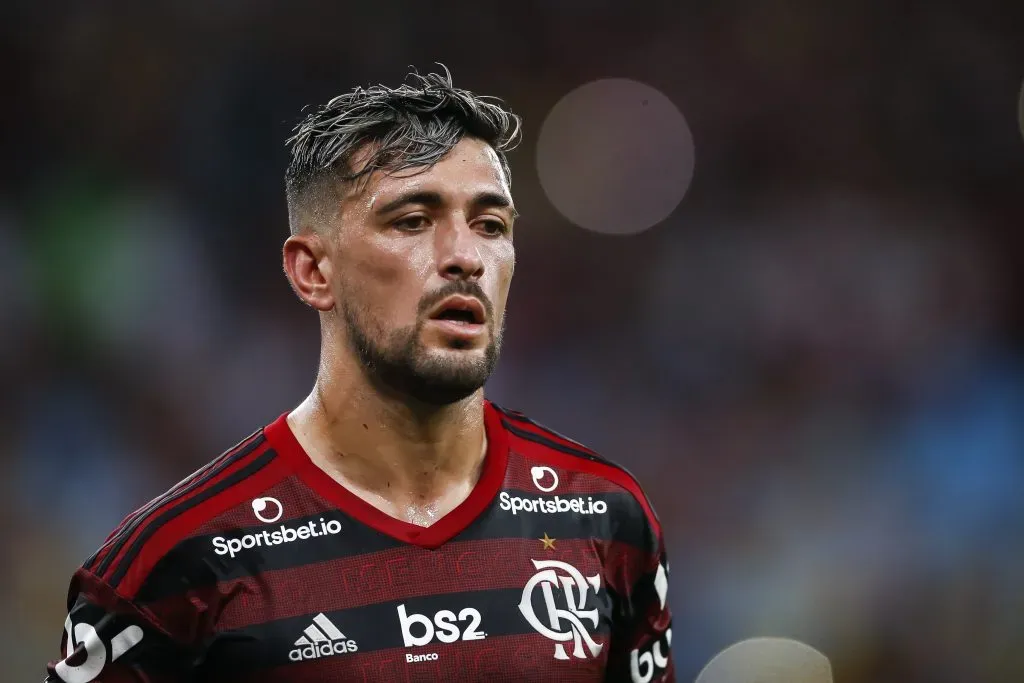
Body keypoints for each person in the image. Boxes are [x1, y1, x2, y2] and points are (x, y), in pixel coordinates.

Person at [46, 67, 674, 683]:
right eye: (412, 220)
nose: (465, 257)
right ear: (312, 271)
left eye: (490, 225)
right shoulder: (176, 565)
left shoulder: (605, 519)